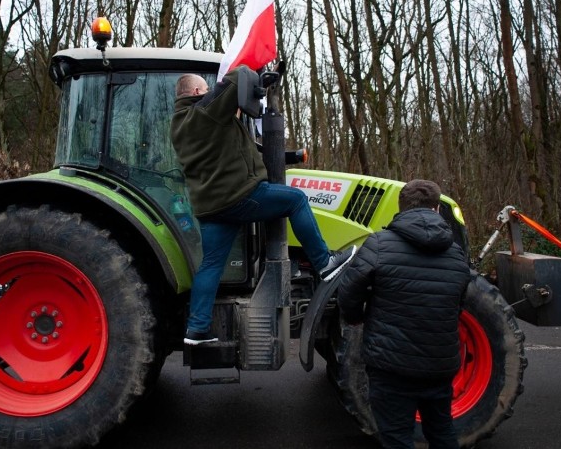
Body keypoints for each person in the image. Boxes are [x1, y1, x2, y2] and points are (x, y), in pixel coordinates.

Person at [171, 67, 357, 346]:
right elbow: (234, 81)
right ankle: (324, 263)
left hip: (211, 207)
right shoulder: (203, 112)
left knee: (210, 266)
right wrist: (251, 70)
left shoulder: (182, 123)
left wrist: (286, 155)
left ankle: (197, 329)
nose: (211, 93)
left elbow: (239, 148)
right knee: (295, 200)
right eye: (206, 90)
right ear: (197, 93)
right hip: (238, 195)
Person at [337, 179, 472, 449]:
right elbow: (458, 303)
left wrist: (356, 318)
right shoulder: (456, 254)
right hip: (439, 365)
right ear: (436, 210)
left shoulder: (378, 244)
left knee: (396, 437)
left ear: (400, 208)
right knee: (442, 431)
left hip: (391, 366)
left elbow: (348, 291)